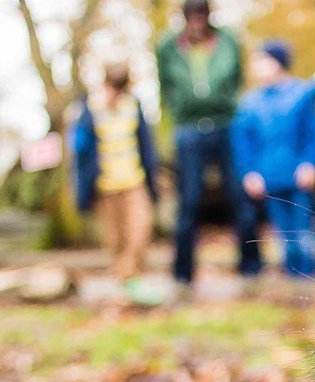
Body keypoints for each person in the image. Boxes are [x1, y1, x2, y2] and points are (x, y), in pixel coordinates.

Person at [156, 0, 258, 295]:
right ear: (185, 18)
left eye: (202, 15)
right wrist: (177, 111)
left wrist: (228, 102)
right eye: (192, 16)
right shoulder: (168, 46)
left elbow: (237, 77)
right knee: (189, 201)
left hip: (226, 124)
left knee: (239, 197)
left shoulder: (227, 40)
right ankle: (182, 274)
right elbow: (165, 86)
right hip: (189, 129)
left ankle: (250, 268)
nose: (197, 22)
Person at [231, 41, 315, 281]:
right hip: (269, 177)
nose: (258, 67)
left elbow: (312, 133)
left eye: (263, 60)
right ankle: (291, 277)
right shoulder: (249, 102)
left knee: (303, 230)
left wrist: (309, 163)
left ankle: (307, 278)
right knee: (282, 232)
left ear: (278, 62)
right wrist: (249, 173)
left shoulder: (302, 94)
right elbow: (242, 142)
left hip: (297, 176)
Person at [71, 62, 159, 291]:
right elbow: (80, 154)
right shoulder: (88, 110)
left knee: (140, 230)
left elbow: (147, 147)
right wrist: (82, 194)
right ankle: (128, 284)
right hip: (104, 186)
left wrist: (153, 181)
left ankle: (130, 278)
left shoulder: (133, 106)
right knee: (114, 240)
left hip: (134, 182)